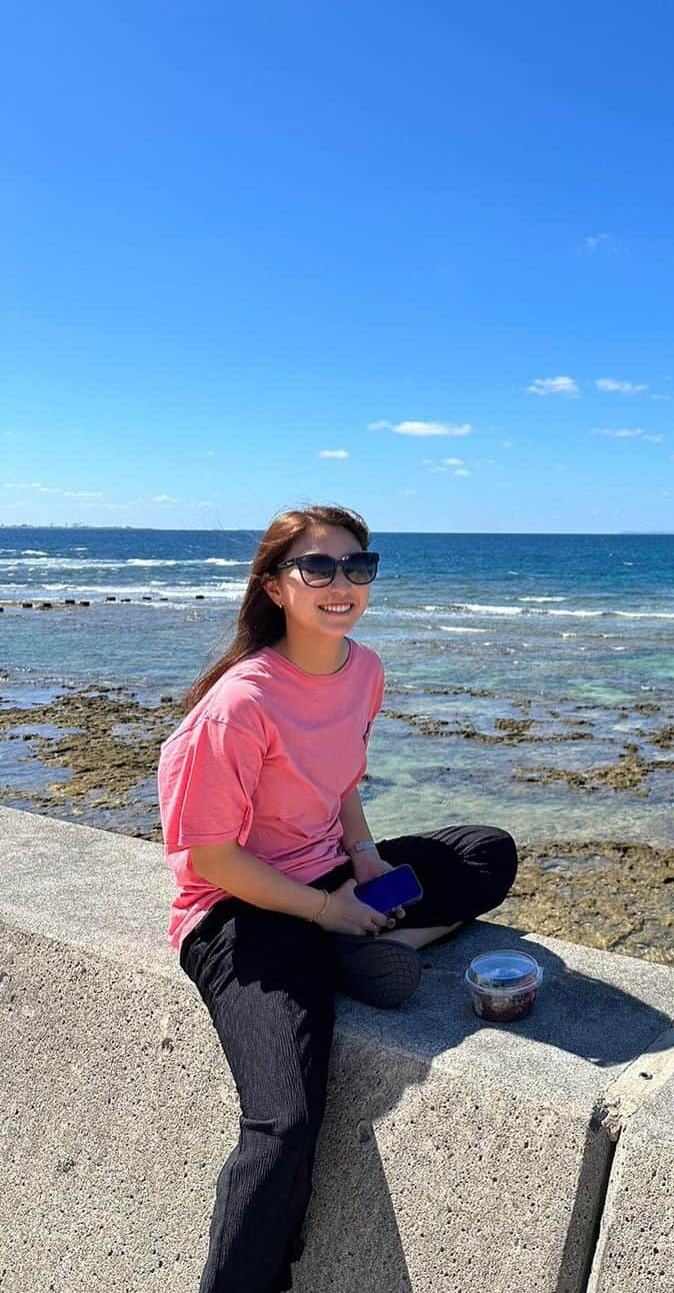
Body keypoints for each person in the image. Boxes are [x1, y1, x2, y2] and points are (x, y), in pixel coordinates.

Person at [157, 503, 518, 1293]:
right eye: (317, 568)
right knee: (283, 1123)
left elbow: (344, 780)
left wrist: (363, 859)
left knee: (486, 852)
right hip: (242, 911)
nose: (341, 583)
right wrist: (323, 911)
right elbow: (209, 856)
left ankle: (370, 947)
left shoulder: (363, 669)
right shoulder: (237, 705)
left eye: (359, 566)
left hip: (331, 877)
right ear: (276, 587)